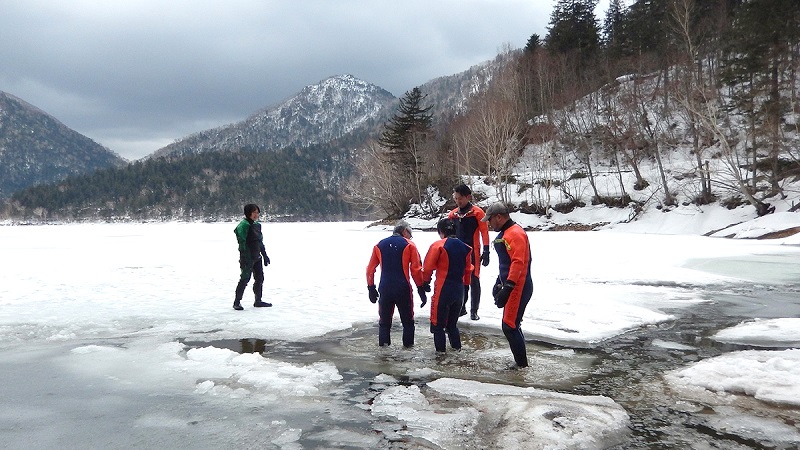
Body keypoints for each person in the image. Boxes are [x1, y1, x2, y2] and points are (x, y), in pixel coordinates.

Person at [481, 202, 533, 368]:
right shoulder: (507, 232)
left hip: (519, 285)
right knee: (512, 325)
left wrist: (508, 286)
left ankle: (522, 366)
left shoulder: (515, 233)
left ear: (499, 217)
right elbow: (506, 264)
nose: (489, 224)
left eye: (490, 220)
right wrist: (499, 283)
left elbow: (518, 263)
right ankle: (521, 364)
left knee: (509, 326)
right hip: (512, 283)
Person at [366, 220, 427, 348]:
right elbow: (416, 270)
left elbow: (370, 269)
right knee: (408, 322)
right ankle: (408, 350)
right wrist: (420, 288)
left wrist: (371, 287)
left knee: (384, 322)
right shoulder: (410, 245)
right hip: (402, 288)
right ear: (404, 231)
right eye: (410, 233)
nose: (411, 236)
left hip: (385, 288)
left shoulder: (379, 245)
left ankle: (384, 353)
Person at [421, 218, 474, 353]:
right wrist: (466, 289)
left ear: (441, 231)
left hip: (443, 291)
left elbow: (427, 268)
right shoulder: (466, 248)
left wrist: (425, 282)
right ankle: (457, 353)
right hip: (459, 291)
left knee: (438, 326)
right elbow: (468, 271)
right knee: (452, 326)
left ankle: (440, 358)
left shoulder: (438, 246)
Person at [448, 184, 490, 321]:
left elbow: (484, 232)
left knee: (474, 279)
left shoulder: (477, 213)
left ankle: (474, 310)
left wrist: (487, 250)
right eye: (455, 199)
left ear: (468, 197)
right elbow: (448, 235)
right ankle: (462, 307)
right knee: (460, 280)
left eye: (460, 198)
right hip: (457, 253)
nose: (458, 201)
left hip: (473, 252)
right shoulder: (452, 215)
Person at [233, 203, 272, 310]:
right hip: (248, 256)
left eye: (257, 212)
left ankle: (258, 301)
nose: (256, 214)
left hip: (257, 256)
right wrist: (244, 257)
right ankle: (237, 302)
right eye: (254, 212)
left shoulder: (257, 225)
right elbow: (242, 242)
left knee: (260, 278)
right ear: (248, 213)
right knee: (245, 278)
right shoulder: (243, 225)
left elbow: (260, 241)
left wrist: (264, 255)